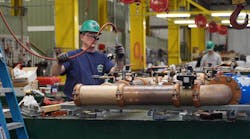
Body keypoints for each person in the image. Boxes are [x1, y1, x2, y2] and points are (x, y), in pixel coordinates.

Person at [52, 20, 124, 100]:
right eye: (90, 35)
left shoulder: (102, 57)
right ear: (82, 37)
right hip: (74, 103)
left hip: (95, 102)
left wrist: (119, 60)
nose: (93, 39)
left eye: (96, 36)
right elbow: (55, 72)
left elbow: (115, 72)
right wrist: (59, 63)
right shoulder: (72, 56)